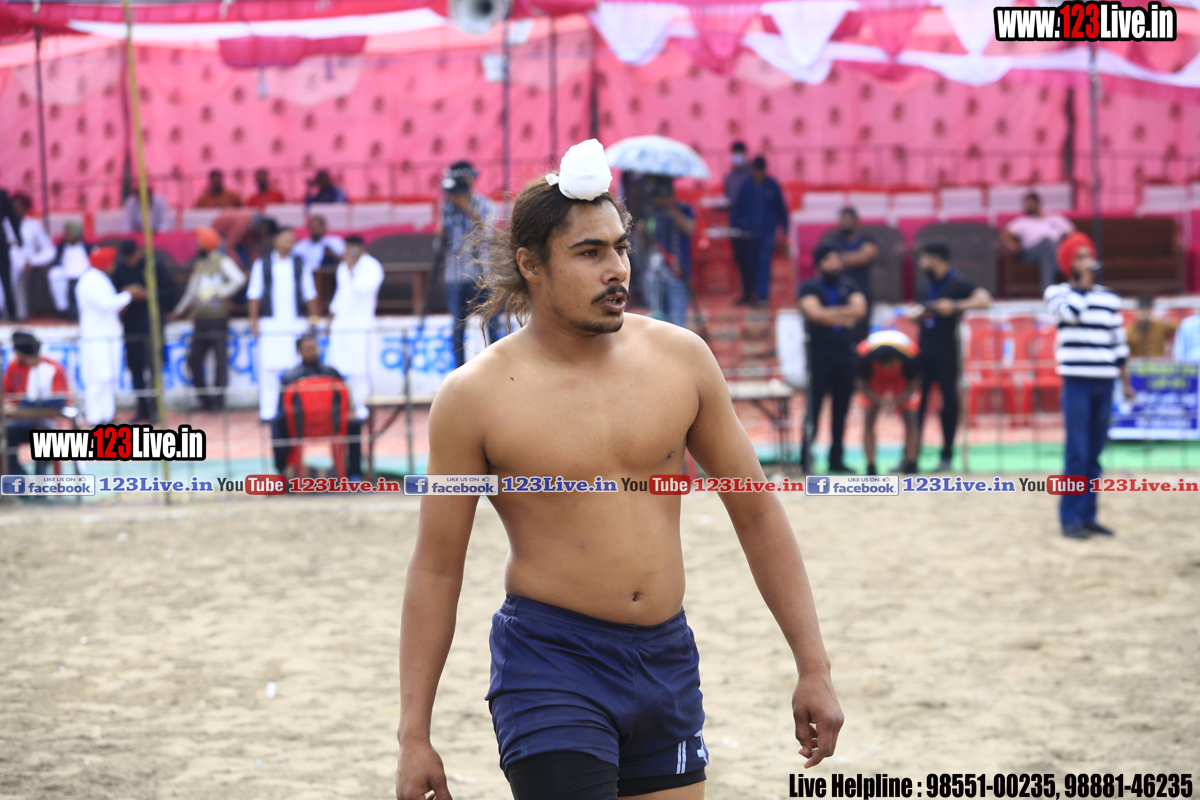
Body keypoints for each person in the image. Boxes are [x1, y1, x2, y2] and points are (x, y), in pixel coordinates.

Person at [395, 139, 843, 800]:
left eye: (620, 248)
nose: (616, 270)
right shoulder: (475, 397)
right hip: (550, 664)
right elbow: (437, 566)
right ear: (531, 264)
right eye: (589, 252)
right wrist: (414, 735)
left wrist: (814, 665)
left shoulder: (682, 360)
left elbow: (755, 510)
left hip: (667, 660)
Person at [1044, 232, 1133, 539]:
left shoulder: (1108, 298)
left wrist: (1126, 382)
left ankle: (1088, 515)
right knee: (1077, 452)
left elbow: (1118, 343)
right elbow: (1070, 316)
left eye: (1088, 256)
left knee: (1094, 452)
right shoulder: (1058, 294)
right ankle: (1070, 518)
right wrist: (1082, 287)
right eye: (1079, 257)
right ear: (1068, 263)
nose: (1086, 262)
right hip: (1076, 382)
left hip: (1105, 382)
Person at [907, 240, 992, 472]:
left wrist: (954, 306)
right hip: (923, 353)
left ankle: (946, 456)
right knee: (916, 406)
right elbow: (915, 309)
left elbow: (985, 300)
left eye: (924, 258)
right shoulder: (925, 284)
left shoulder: (958, 282)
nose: (921, 263)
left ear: (936, 258)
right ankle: (911, 458)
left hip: (947, 354)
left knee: (948, 406)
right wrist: (917, 315)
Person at [797, 244, 867, 474]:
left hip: (845, 356)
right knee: (814, 409)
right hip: (819, 357)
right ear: (819, 263)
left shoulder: (850, 285)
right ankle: (806, 459)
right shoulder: (808, 287)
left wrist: (829, 315)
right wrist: (845, 317)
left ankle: (836, 459)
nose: (834, 264)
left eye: (837, 259)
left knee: (841, 410)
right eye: (829, 259)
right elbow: (814, 314)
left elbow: (860, 310)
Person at [247, 226, 320, 422]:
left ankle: (297, 410)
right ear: (276, 240)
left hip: (296, 324)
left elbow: (309, 293)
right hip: (270, 324)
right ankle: (268, 412)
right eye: (286, 239)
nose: (290, 243)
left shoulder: (300, 263)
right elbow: (254, 294)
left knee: (298, 369)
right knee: (268, 369)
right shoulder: (262, 264)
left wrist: (314, 320)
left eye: (292, 240)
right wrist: (254, 322)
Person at [171, 227, 247, 412]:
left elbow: (239, 279)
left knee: (220, 361)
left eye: (199, 242)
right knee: (194, 361)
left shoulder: (222, 261)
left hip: (217, 317)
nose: (197, 245)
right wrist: (178, 311)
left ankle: (218, 403)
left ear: (205, 244)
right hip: (200, 318)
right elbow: (192, 291)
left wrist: (219, 293)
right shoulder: (200, 264)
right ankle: (204, 401)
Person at [76, 247, 146, 424]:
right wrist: (128, 295)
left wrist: (125, 295)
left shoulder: (99, 278)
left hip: (106, 336)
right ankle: (95, 417)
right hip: (96, 338)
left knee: (108, 378)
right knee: (97, 378)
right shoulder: (91, 280)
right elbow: (106, 304)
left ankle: (106, 416)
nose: (114, 266)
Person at [438, 160, 498, 368]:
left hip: (481, 273)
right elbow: (441, 239)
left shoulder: (484, 204)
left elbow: (487, 234)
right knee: (457, 326)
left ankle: (498, 368)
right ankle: (459, 371)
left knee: (492, 323)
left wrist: (466, 208)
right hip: (454, 275)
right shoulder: (447, 206)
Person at [111, 241, 176, 423]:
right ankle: (142, 409)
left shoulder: (153, 265)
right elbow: (114, 295)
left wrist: (148, 294)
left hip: (152, 324)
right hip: (131, 325)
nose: (130, 262)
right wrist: (127, 294)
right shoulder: (120, 270)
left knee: (154, 369)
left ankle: (156, 409)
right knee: (136, 369)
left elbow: (168, 290)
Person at [271, 332, 350, 478]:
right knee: (277, 425)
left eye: (314, 347)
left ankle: (353, 472)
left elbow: (345, 399)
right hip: (300, 424)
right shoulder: (290, 376)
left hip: (331, 421)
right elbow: (282, 406)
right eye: (308, 349)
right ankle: (285, 470)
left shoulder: (331, 372)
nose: (312, 352)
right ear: (299, 351)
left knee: (354, 425)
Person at [327, 235, 384, 420]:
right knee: (337, 366)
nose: (348, 252)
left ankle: (361, 406)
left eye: (351, 248)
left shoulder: (372, 266)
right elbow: (340, 294)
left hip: (361, 323)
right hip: (341, 324)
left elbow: (363, 290)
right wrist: (331, 319)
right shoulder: (342, 267)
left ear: (360, 248)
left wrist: (352, 268)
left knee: (361, 369)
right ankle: (340, 405)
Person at [3, 331, 70, 476]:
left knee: (45, 437)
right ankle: (18, 477)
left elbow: (61, 400)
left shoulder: (53, 368)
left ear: (19, 352)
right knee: (5, 434)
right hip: (18, 422)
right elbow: (6, 394)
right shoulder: (13, 366)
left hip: (46, 422)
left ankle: (40, 480)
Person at [856, 329, 921, 476]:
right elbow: (863, 384)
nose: (887, 369)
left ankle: (911, 465)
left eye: (890, 365)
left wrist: (897, 401)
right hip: (875, 378)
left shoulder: (909, 355)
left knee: (911, 417)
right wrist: (879, 401)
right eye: (884, 366)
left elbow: (914, 383)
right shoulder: (864, 355)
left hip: (901, 378)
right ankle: (870, 466)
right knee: (868, 417)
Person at [730, 155, 788, 307]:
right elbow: (738, 208)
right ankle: (751, 294)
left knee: (763, 264)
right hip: (749, 234)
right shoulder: (746, 186)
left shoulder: (772, 186)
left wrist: (784, 232)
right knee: (750, 265)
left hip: (767, 234)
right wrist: (734, 225)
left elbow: (781, 210)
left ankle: (762, 297)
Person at [641, 176, 696, 329]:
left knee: (677, 323)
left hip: (676, 272)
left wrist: (670, 208)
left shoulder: (683, 209)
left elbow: (689, 228)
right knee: (657, 322)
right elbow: (646, 241)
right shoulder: (652, 214)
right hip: (654, 273)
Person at [824, 207, 880, 344]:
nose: (844, 223)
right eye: (842, 220)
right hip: (840, 288)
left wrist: (841, 258)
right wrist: (854, 257)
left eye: (847, 220)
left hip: (863, 287)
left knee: (862, 328)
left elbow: (865, 256)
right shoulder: (834, 238)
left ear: (855, 221)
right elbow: (827, 258)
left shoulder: (867, 238)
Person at [1000, 191, 1075, 292]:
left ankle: (1047, 291)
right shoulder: (1022, 221)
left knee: (1046, 255)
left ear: (1037, 203)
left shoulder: (1055, 218)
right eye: (1025, 204)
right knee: (1046, 242)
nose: (1026, 207)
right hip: (1029, 253)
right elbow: (1005, 233)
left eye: (1029, 204)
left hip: (1051, 251)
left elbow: (1072, 233)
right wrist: (1012, 245)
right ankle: (1063, 269)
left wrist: (1067, 247)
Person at [4, 193, 55, 321]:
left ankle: (25, 315)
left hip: (28, 263)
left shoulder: (34, 225)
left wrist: (33, 261)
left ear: (26, 207)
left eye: (20, 206)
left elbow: (50, 250)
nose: (16, 209)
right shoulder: (4, 225)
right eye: (13, 206)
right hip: (8, 262)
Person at [723, 142, 755, 306]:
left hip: (752, 225)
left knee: (753, 260)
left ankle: (756, 293)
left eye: (739, 153)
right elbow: (728, 200)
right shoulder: (729, 177)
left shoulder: (752, 176)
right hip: (735, 224)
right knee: (741, 260)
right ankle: (746, 293)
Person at [45, 221, 92, 316]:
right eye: (66, 234)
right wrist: (31, 261)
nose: (67, 236)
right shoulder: (61, 247)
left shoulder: (88, 247)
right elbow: (47, 256)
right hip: (66, 273)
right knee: (54, 274)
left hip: (84, 273)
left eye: (70, 234)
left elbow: (96, 258)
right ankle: (63, 308)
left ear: (77, 234)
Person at [1124, 294, 1176, 358]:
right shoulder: (1129, 331)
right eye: (1142, 310)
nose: (1144, 313)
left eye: (1147, 310)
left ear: (1151, 312)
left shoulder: (1160, 326)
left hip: (1158, 362)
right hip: (1138, 362)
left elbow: (1181, 327)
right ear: (1136, 312)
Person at [0, 189, 23, 321]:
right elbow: (12, 217)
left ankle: (11, 311)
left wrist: (18, 237)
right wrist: (19, 237)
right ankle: (11, 312)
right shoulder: (2, 196)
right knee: (6, 279)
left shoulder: (2, 195)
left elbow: (12, 217)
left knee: (6, 279)